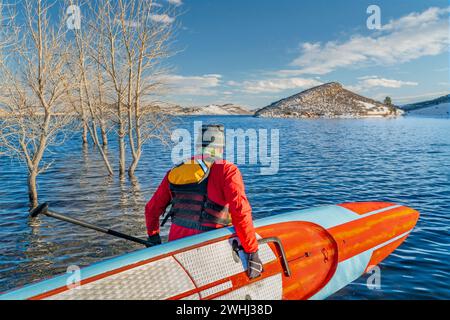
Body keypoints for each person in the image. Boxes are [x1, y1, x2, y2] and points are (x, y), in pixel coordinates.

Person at [144, 124, 263, 279]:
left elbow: (151, 209)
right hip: (211, 250)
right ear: (221, 147)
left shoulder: (176, 171)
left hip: (177, 249)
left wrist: (154, 237)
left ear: (199, 146)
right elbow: (241, 212)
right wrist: (252, 251)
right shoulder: (228, 170)